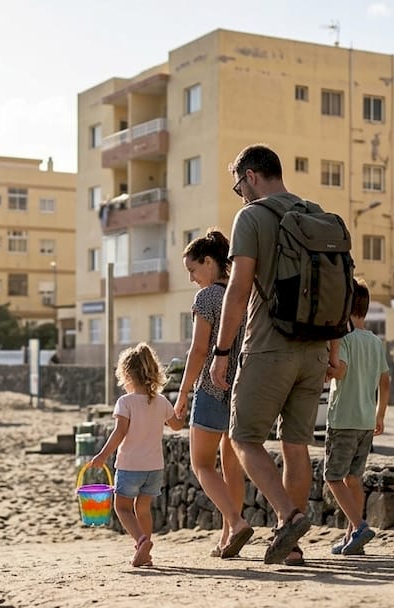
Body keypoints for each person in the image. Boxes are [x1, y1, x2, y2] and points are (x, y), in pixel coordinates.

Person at [209, 144, 335, 565]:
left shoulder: (252, 216)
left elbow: (238, 288)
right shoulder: (315, 212)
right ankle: (291, 547)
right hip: (315, 348)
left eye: (238, 186)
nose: (239, 194)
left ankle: (289, 516)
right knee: (295, 445)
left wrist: (222, 351)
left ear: (251, 176)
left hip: (269, 345)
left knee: (243, 438)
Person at [173, 229, 254, 559]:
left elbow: (198, 350)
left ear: (209, 262)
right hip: (242, 389)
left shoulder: (207, 298)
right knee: (231, 467)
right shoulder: (243, 294)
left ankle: (235, 522)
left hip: (211, 388)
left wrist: (182, 393)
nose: (191, 279)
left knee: (202, 464)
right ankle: (226, 537)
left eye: (193, 270)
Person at [89, 343, 186, 568]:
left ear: (127, 375)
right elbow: (176, 426)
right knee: (142, 509)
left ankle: (141, 541)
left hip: (130, 466)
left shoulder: (126, 402)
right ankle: (145, 553)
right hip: (154, 468)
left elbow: (120, 432)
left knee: (122, 508)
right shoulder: (161, 401)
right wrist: (182, 412)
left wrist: (102, 455)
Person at [324, 279, 390, 556]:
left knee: (332, 477)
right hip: (365, 421)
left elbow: (340, 371)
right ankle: (353, 537)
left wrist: (326, 369)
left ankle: (359, 526)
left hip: (343, 419)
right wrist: (380, 415)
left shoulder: (344, 339)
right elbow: (385, 381)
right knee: (354, 479)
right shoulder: (375, 342)